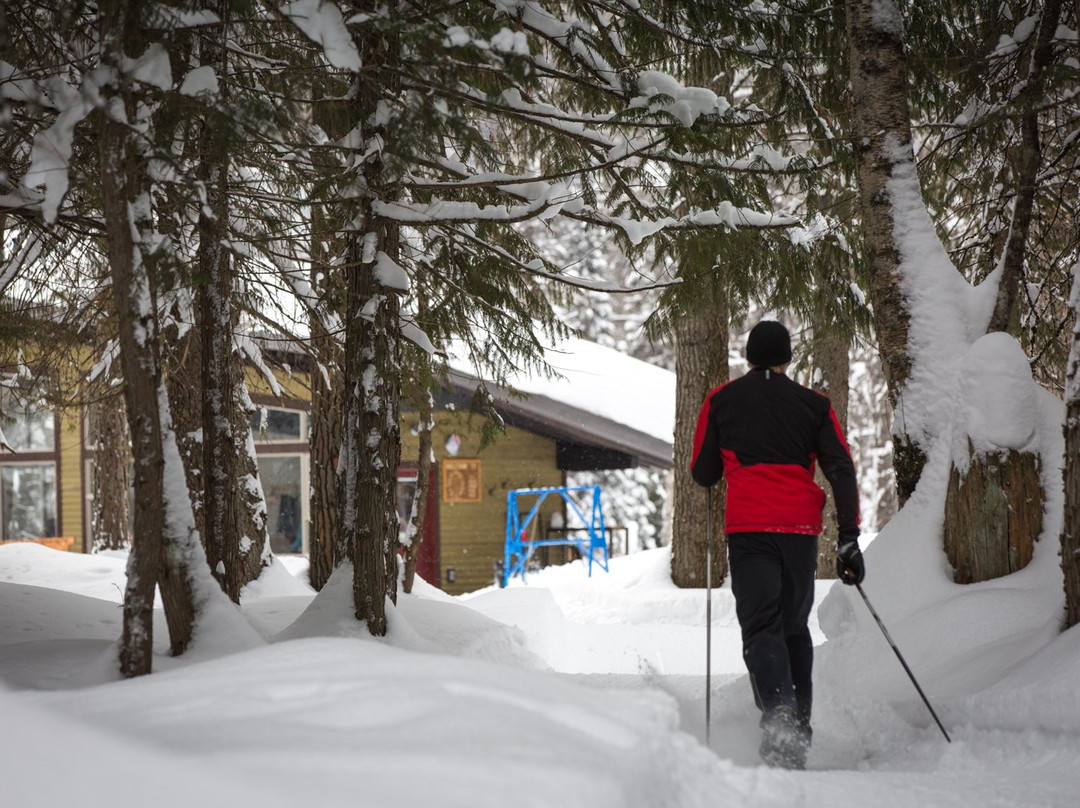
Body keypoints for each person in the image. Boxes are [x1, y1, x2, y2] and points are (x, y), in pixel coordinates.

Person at [690, 320, 864, 769]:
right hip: (799, 532)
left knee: (761, 625)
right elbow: (841, 468)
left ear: (748, 358)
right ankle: (795, 734)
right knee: (792, 627)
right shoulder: (814, 405)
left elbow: (703, 472)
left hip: (750, 528)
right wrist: (849, 538)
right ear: (788, 359)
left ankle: (779, 713)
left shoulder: (722, 400)